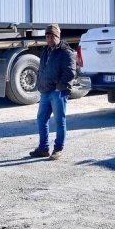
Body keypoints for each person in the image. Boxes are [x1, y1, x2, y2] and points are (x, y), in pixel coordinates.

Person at [29, 24, 76, 160]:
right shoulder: (45, 50)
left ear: (58, 36)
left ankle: (58, 149)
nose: (49, 39)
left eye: (52, 36)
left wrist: (59, 87)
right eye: (47, 36)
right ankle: (43, 148)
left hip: (58, 92)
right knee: (41, 120)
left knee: (59, 121)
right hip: (45, 91)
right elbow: (41, 68)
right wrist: (39, 83)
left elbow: (70, 73)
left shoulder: (66, 52)